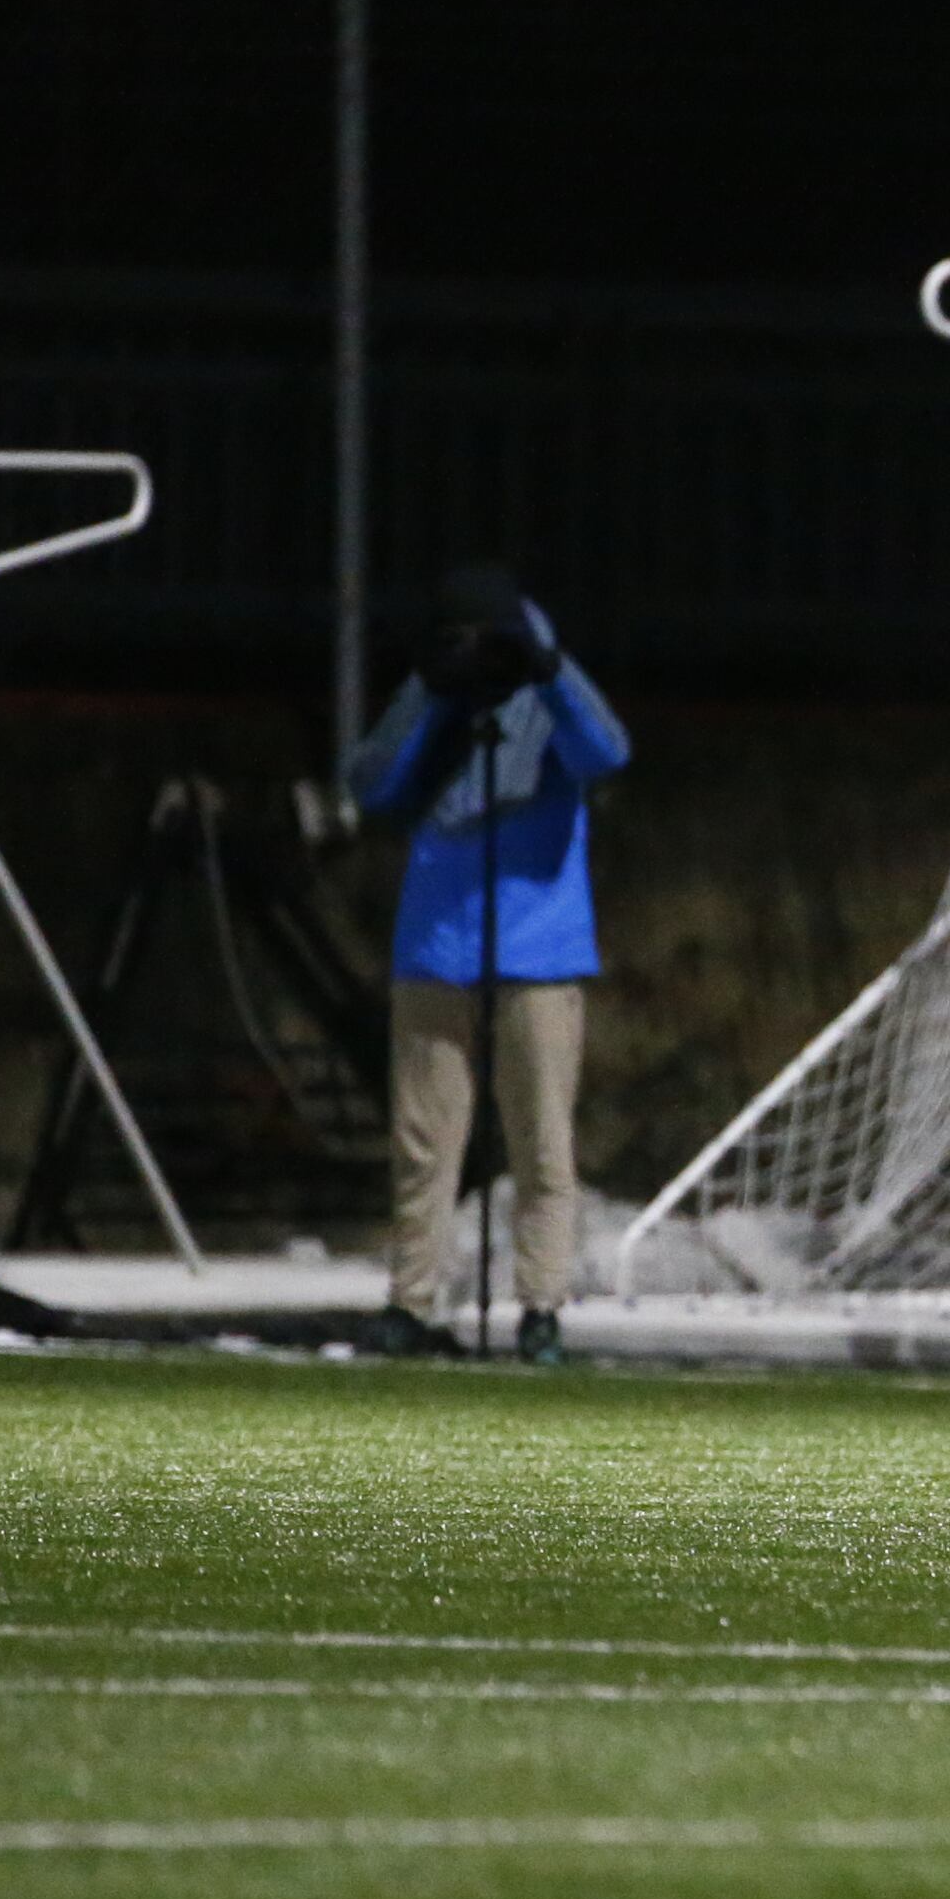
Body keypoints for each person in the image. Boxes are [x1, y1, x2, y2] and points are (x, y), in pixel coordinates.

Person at [344, 564, 631, 1366]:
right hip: (435, 949)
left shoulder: (550, 699)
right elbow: (371, 782)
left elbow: (606, 750)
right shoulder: (434, 700)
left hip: (537, 955)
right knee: (424, 1146)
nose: (477, 655)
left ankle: (541, 1307)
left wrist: (547, 670)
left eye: (488, 639)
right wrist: (429, 691)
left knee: (542, 1144)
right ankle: (411, 1302)